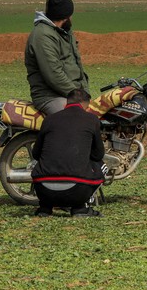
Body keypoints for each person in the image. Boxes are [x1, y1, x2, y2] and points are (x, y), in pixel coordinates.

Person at [31, 88, 106, 217]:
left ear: (67, 102)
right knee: (102, 165)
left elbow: (36, 154)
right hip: (77, 191)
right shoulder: (92, 120)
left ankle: (45, 208)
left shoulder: (49, 119)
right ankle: (81, 208)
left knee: (38, 164)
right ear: (85, 103)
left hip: (43, 190)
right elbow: (98, 155)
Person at [25, 0, 89, 115]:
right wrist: (78, 95)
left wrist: (83, 91)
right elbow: (53, 73)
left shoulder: (64, 32)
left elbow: (74, 63)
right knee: (75, 121)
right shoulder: (43, 36)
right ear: (65, 17)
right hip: (50, 96)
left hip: (70, 94)